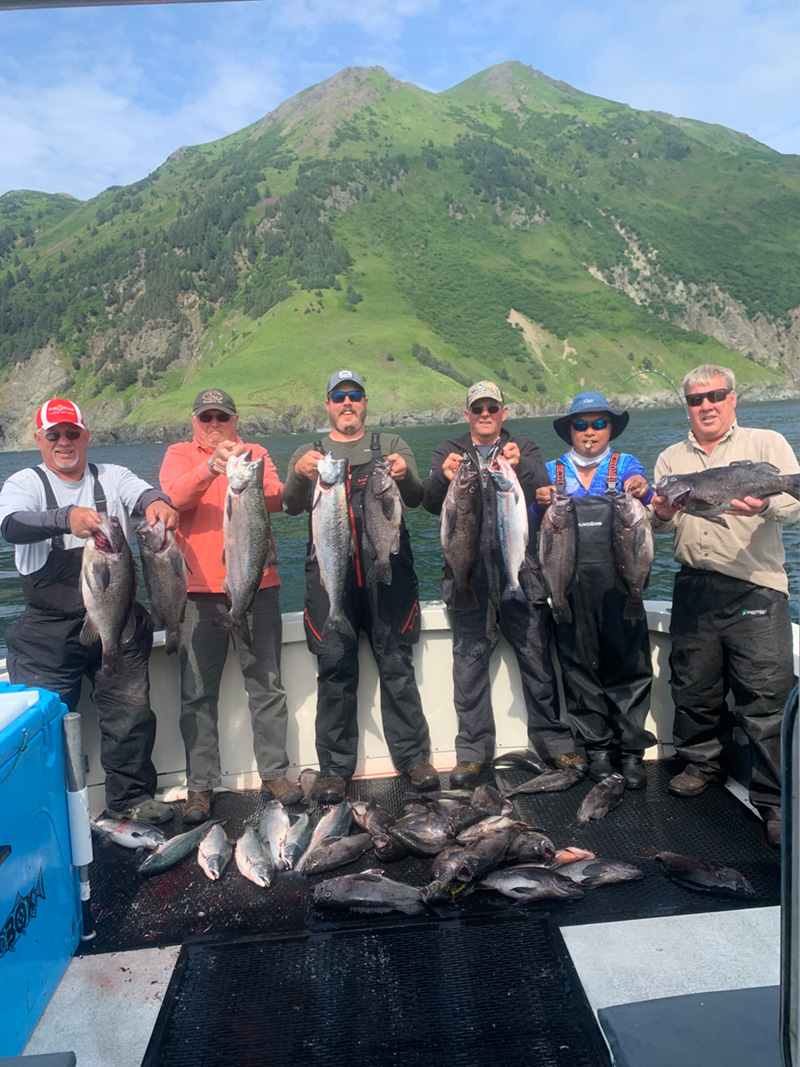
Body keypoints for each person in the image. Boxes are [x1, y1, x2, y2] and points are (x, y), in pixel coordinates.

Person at [0, 398, 178, 823]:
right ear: (39, 439)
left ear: (86, 437)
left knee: (130, 716)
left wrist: (158, 502)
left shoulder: (112, 476)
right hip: (46, 633)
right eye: (54, 434)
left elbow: (144, 494)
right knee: (43, 725)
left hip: (118, 619)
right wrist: (65, 519)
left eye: (72, 433)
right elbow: (10, 525)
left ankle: (130, 799)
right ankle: (44, 811)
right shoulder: (24, 483)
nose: (64, 442)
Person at [651, 364, 799, 847]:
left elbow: (795, 505)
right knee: (693, 686)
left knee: (765, 696)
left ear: (733, 398)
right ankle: (700, 765)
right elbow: (661, 526)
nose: (707, 405)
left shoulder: (767, 443)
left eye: (715, 395)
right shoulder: (671, 459)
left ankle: (775, 800)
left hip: (755, 588)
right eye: (696, 399)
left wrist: (768, 504)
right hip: (694, 586)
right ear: (687, 406)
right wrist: (660, 513)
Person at [282, 370, 439, 804]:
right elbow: (290, 505)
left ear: (365, 402)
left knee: (396, 664)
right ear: (327, 405)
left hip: (387, 576)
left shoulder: (390, 445)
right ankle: (334, 769)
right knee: (334, 669)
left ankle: (414, 758)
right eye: (339, 397)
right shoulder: (308, 453)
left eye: (354, 395)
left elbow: (415, 497)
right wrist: (299, 475)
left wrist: (404, 474)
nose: (347, 402)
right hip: (330, 577)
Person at [422, 381, 583, 788]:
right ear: (467, 415)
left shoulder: (523, 448)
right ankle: (473, 751)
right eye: (477, 409)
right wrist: (442, 479)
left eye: (492, 408)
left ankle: (553, 740)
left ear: (503, 412)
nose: (485, 415)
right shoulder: (448, 451)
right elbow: (429, 502)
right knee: (469, 667)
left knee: (537, 660)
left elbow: (542, 485)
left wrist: (521, 465)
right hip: (468, 576)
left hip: (521, 573)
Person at [160, 389, 299, 824]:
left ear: (235, 420)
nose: (215, 424)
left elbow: (277, 497)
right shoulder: (179, 454)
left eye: (222, 417)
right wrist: (210, 468)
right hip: (197, 593)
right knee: (197, 692)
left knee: (267, 685)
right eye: (207, 417)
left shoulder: (255, 453)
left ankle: (275, 774)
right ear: (194, 421)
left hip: (258, 585)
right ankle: (200, 785)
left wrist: (245, 471)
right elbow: (173, 496)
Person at [532, 391, 656, 789]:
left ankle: (631, 751)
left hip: (621, 583)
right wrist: (537, 503)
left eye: (599, 424)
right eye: (581, 425)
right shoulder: (550, 471)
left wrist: (643, 490)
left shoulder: (627, 465)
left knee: (629, 665)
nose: (590, 432)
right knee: (578, 667)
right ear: (570, 430)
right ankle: (597, 749)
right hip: (568, 584)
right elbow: (533, 523)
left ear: (611, 429)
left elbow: (651, 500)